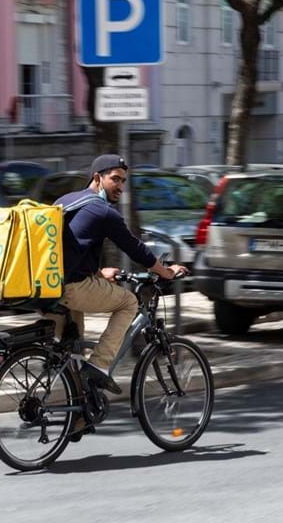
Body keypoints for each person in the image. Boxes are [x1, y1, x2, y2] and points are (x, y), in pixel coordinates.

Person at [52, 154, 187, 397]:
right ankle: (99, 365)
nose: (121, 187)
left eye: (123, 181)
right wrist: (166, 272)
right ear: (97, 178)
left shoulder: (66, 201)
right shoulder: (102, 211)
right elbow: (135, 248)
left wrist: (98, 273)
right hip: (71, 288)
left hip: (48, 287)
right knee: (129, 302)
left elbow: (69, 246)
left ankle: (78, 414)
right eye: (115, 179)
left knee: (72, 353)